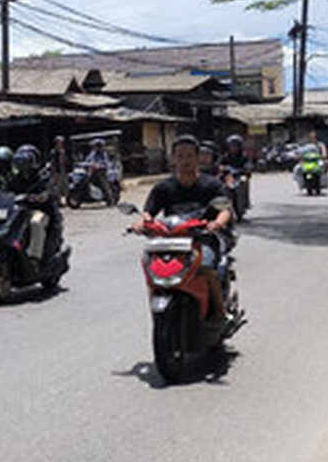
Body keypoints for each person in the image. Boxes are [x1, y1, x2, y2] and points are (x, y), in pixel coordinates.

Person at [132, 135, 233, 326]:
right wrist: (141, 223)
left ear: (197, 158)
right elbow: (148, 213)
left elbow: (224, 210)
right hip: (172, 241)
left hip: (202, 239)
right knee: (153, 269)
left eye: (189, 156)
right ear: (173, 159)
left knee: (207, 267)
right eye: (180, 156)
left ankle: (220, 312)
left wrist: (217, 224)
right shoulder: (163, 188)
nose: (184, 161)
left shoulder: (211, 185)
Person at [9, 144, 63, 258]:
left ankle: (34, 257)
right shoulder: (15, 179)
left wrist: (43, 196)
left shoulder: (43, 177)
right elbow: (6, 191)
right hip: (19, 211)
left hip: (40, 211)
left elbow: (51, 190)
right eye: (20, 163)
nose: (23, 167)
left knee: (36, 223)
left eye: (26, 163)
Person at [82, 138, 116, 203]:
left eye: (98, 146)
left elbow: (106, 163)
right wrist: (82, 164)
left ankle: (110, 199)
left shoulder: (103, 154)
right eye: (96, 146)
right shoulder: (93, 153)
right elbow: (88, 160)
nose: (96, 147)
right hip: (92, 171)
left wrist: (99, 165)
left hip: (101, 172)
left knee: (103, 184)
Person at [49, 136, 73, 202]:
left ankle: (68, 200)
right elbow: (52, 163)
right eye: (60, 142)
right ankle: (58, 201)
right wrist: (53, 172)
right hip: (57, 171)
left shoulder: (63, 151)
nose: (61, 144)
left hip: (64, 170)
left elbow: (67, 161)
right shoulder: (53, 152)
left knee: (66, 186)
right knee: (58, 187)